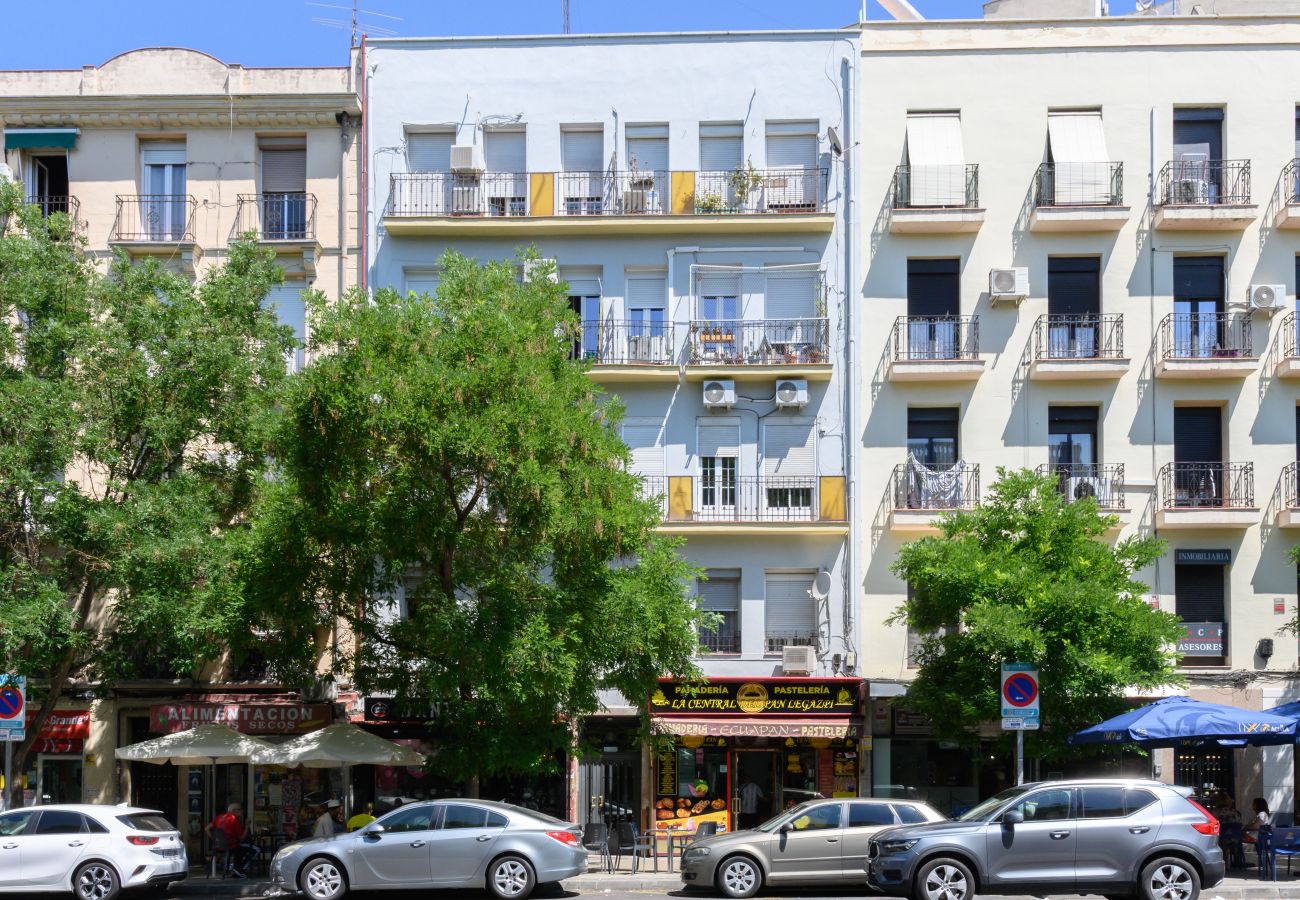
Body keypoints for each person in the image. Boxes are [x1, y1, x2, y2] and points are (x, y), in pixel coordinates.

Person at [205, 803, 258, 878]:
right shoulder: (234, 820)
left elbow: (206, 829)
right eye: (240, 809)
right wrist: (247, 825)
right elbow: (242, 838)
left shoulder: (219, 817)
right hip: (231, 846)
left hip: (219, 846)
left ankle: (234, 867)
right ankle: (239, 868)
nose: (242, 811)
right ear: (233, 811)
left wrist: (215, 840)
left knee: (240, 848)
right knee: (256, 849)